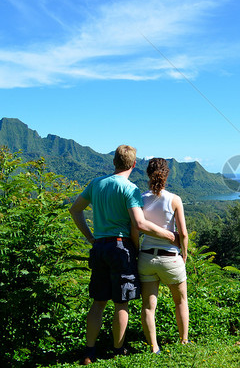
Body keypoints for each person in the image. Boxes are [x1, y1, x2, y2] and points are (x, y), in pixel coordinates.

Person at [69, 145, 177, 365]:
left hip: (99, 246)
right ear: (134, 164)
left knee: (98, 302)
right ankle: (118, 349)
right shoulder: (130, 189)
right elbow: (138, 224)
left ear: (114, 162)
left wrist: (91, 238)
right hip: (121, 247)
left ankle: (90, 351)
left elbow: (75, 209)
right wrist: (166, 235)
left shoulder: (96, 183)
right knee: (121, 303)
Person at [136, 158, 189, 354]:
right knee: (181, 301)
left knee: (149, 307)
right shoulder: (174, 199)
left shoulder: (139, 199)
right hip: (170, 257)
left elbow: (136, 229)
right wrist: (184, 253)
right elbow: (183, 233)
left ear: (148, 174)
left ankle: (153, 347)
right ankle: (184, 340)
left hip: (147, 257)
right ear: (167, 175)